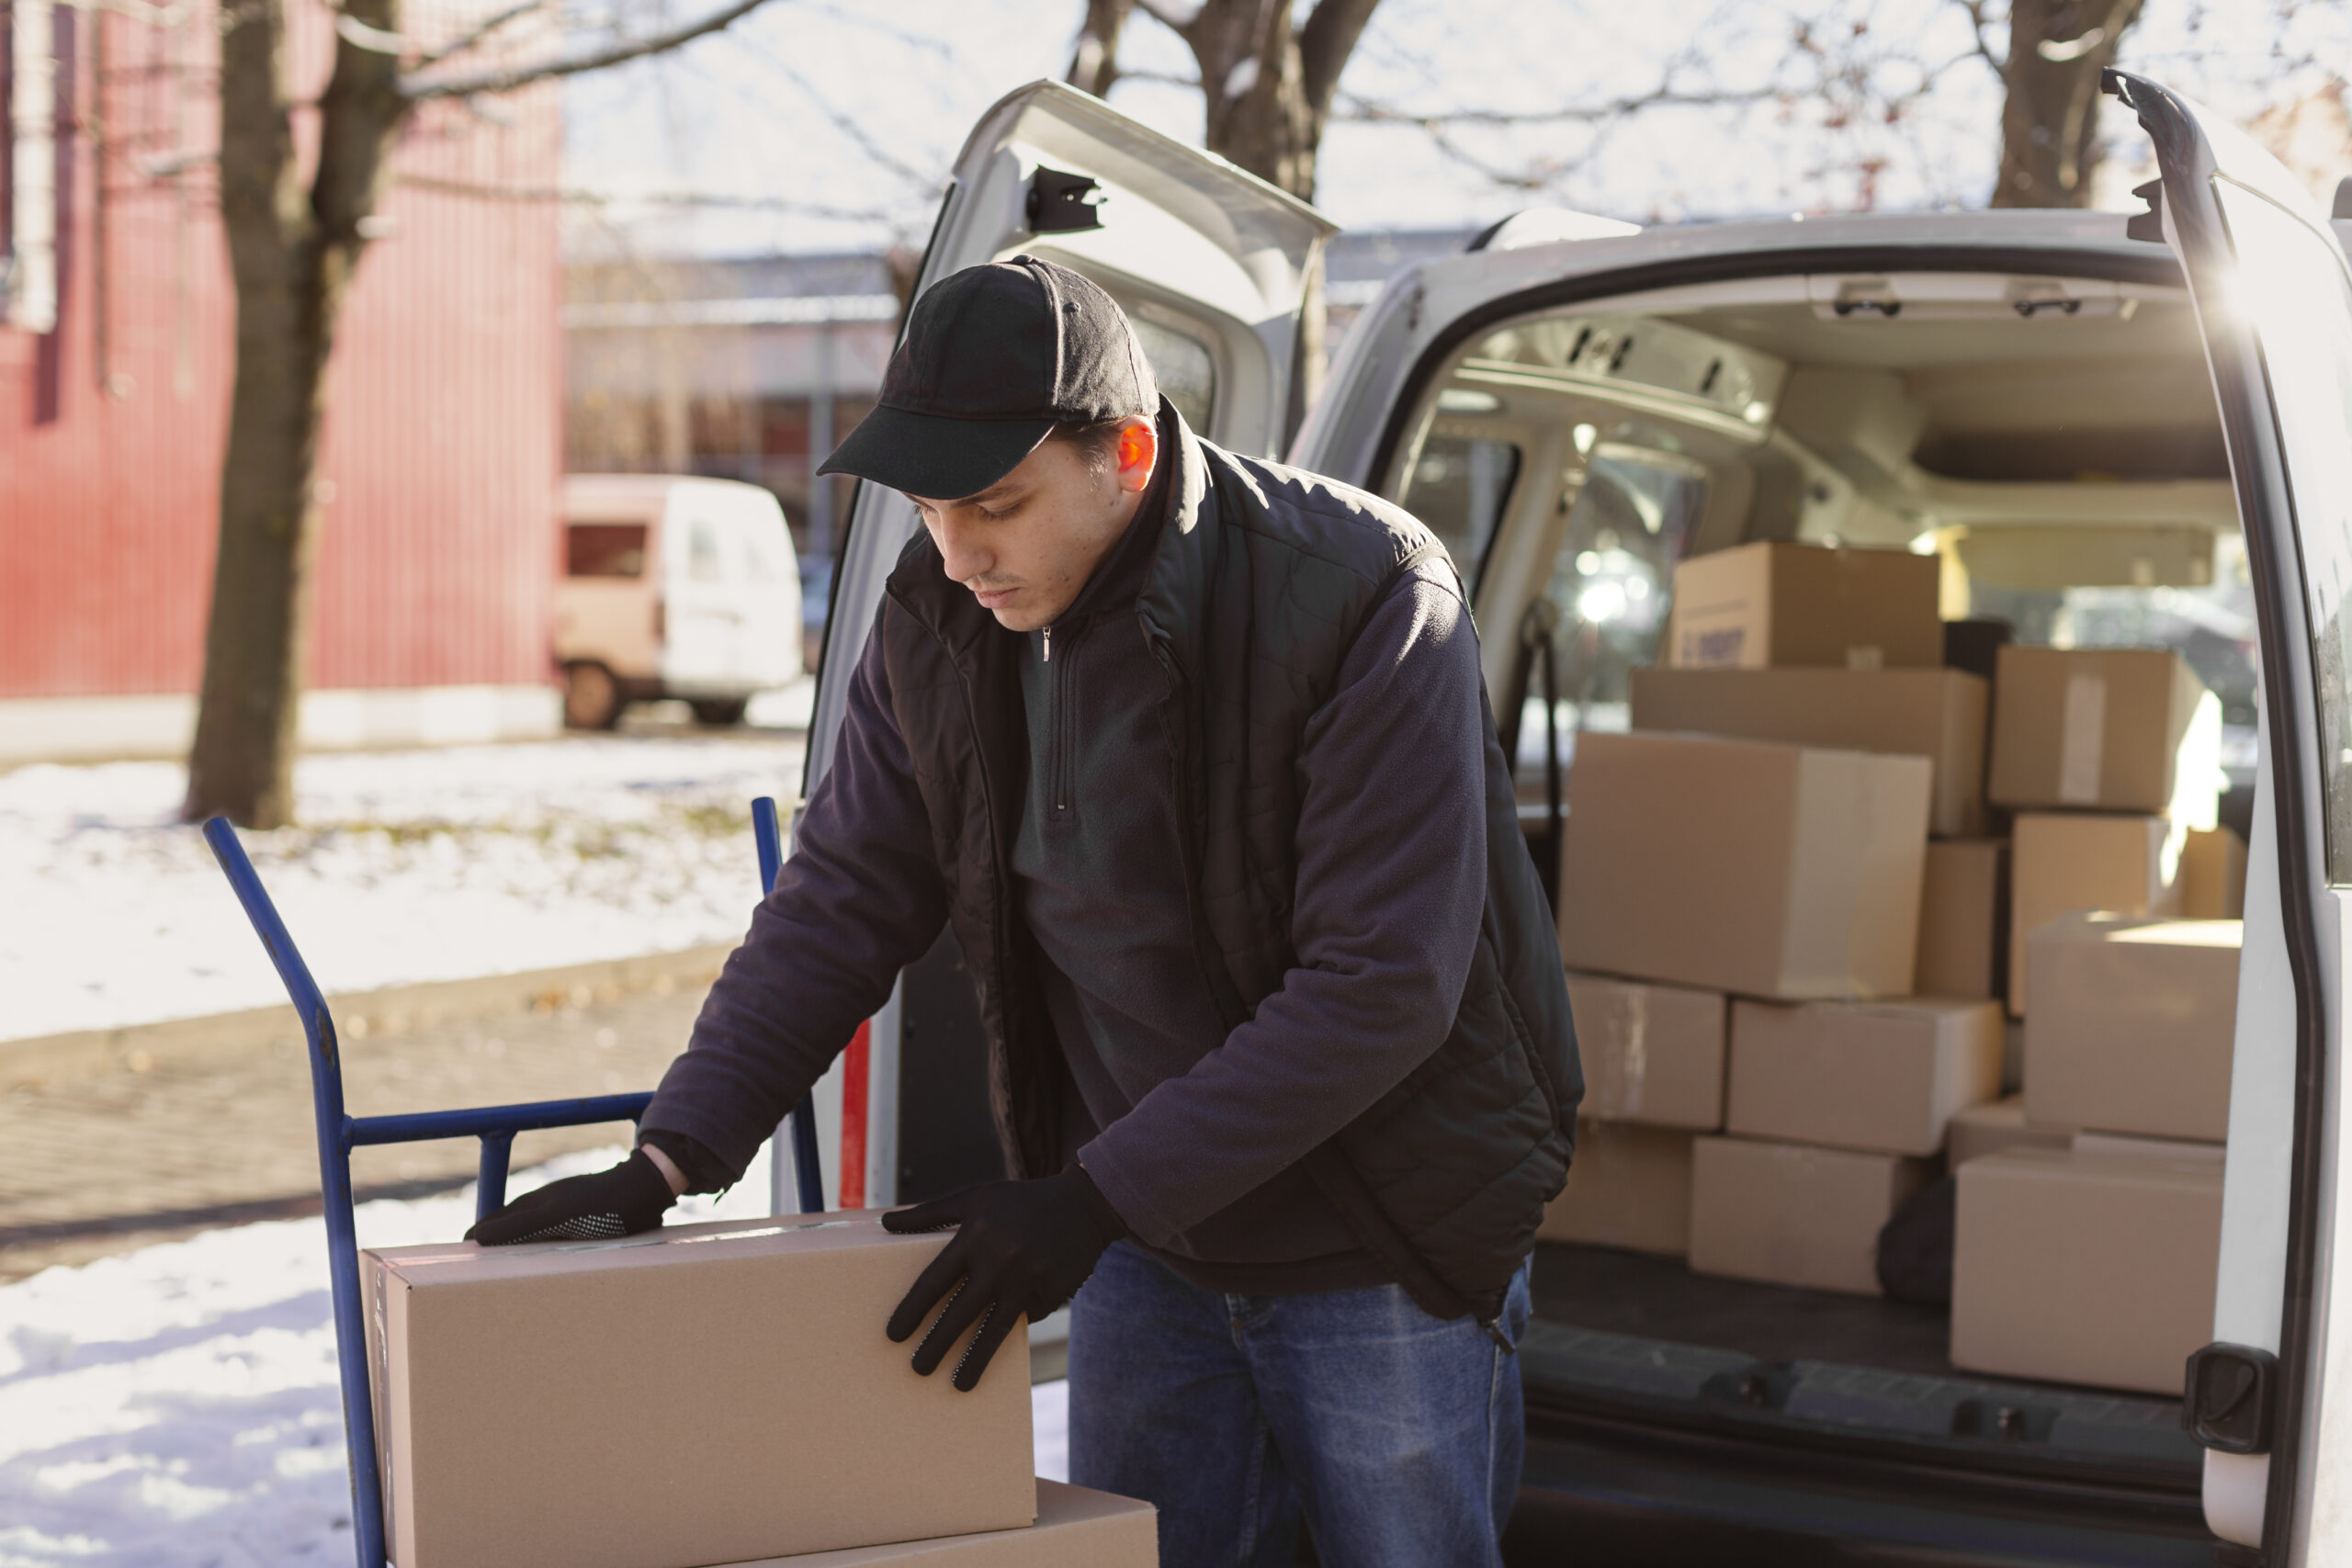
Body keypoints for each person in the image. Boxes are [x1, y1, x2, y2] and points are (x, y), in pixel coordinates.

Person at [469, 254, 1581, 1566]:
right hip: (1148, 1242)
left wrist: (1088, 1201)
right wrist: (673, 1155)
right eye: (930, 508)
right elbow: (840, 899)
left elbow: (1382, 986)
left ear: (1125, 453)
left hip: (1380, 1229)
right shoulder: (935, 616)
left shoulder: (1365, 593)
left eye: (997, 505)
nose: (960, 554)